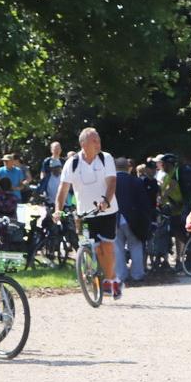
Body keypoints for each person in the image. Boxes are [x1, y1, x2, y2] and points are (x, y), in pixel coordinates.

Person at [56, 127, 120, 298]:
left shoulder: (106, 158)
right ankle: (92, 275)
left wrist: (105, 201)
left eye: (99, 140)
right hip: (84, 214)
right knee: (92, 247)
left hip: (107, 211)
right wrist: (57, 210)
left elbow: (112, 183)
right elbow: (63, 189)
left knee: (106, 247)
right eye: (94, 141)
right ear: (83, 144)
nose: (98, 144)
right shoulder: (72, 163)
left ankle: (111, 279)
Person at [114, 157, 151, 284]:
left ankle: (121, 275)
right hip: (133, 218)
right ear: (128, 168)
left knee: (117, 247)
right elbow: (143, 203)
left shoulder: (110, 181)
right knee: (135, 246)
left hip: (115, 218)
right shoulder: (136, 181)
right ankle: (137, 274)